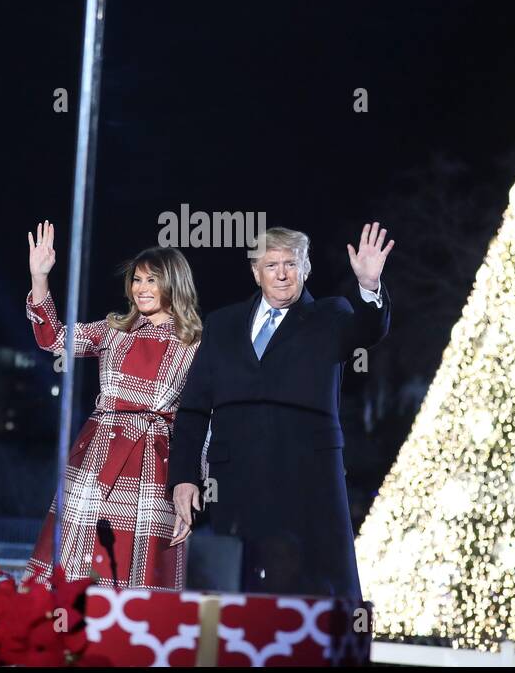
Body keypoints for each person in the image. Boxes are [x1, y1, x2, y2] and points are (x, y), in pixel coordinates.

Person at [167, 223, 392, 598]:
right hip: (234, 479)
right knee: (232, 590)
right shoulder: (222, 324)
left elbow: (368, 331)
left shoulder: (331, 315)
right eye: (271, 265)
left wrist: (369, 287)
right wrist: (185, 477)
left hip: (306, 478)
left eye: (291, 263)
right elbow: (193, 408)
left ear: (306, 269)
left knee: (309, 589)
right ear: (255, 272)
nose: (282, 274)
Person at [23, 220, 202, 589]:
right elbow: (54, 339)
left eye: (152, 279)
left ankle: (130, 640)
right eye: (137, 280)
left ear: (174, 283)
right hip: (96, 455)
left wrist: (193, 481)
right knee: (75, 563)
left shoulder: (196, 344)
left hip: (155, 464)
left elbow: (205, 419)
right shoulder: (113, 330)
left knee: (136, 572)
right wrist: (39, 278)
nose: (141, 288)